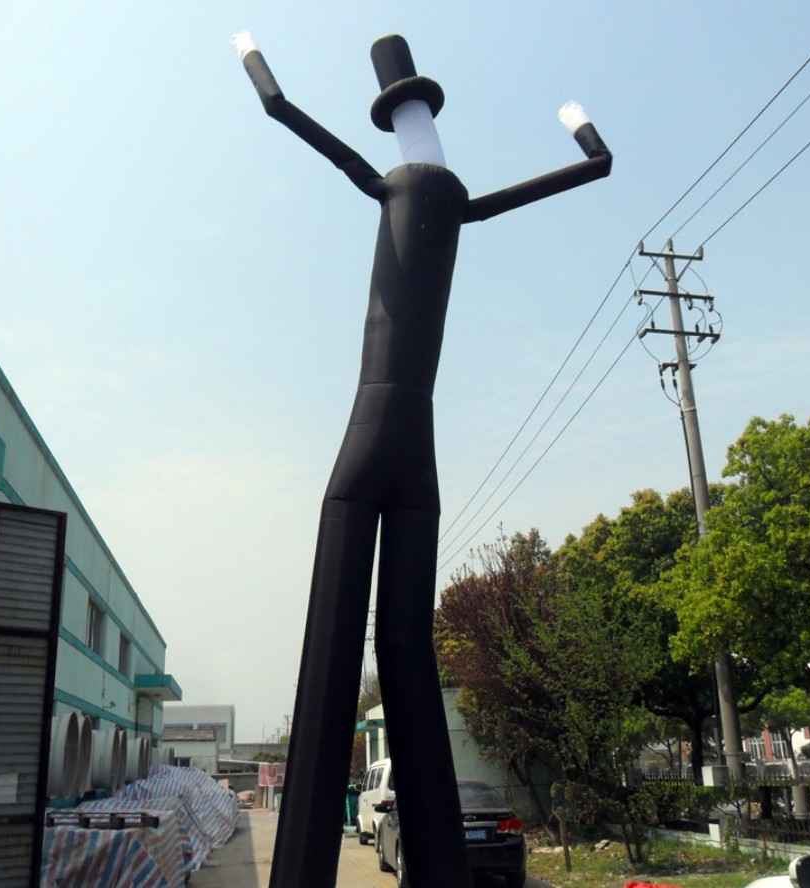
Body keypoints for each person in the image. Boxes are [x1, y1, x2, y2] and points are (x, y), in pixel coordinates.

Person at [233, 32, 612, 888]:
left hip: (375, 434)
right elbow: (596, 170)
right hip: (416, 443)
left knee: (346, 644)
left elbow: (281, 109)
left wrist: (252, 56)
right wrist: (581, 127)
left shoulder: (401, 183)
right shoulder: (449, 195)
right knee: (401, 643)